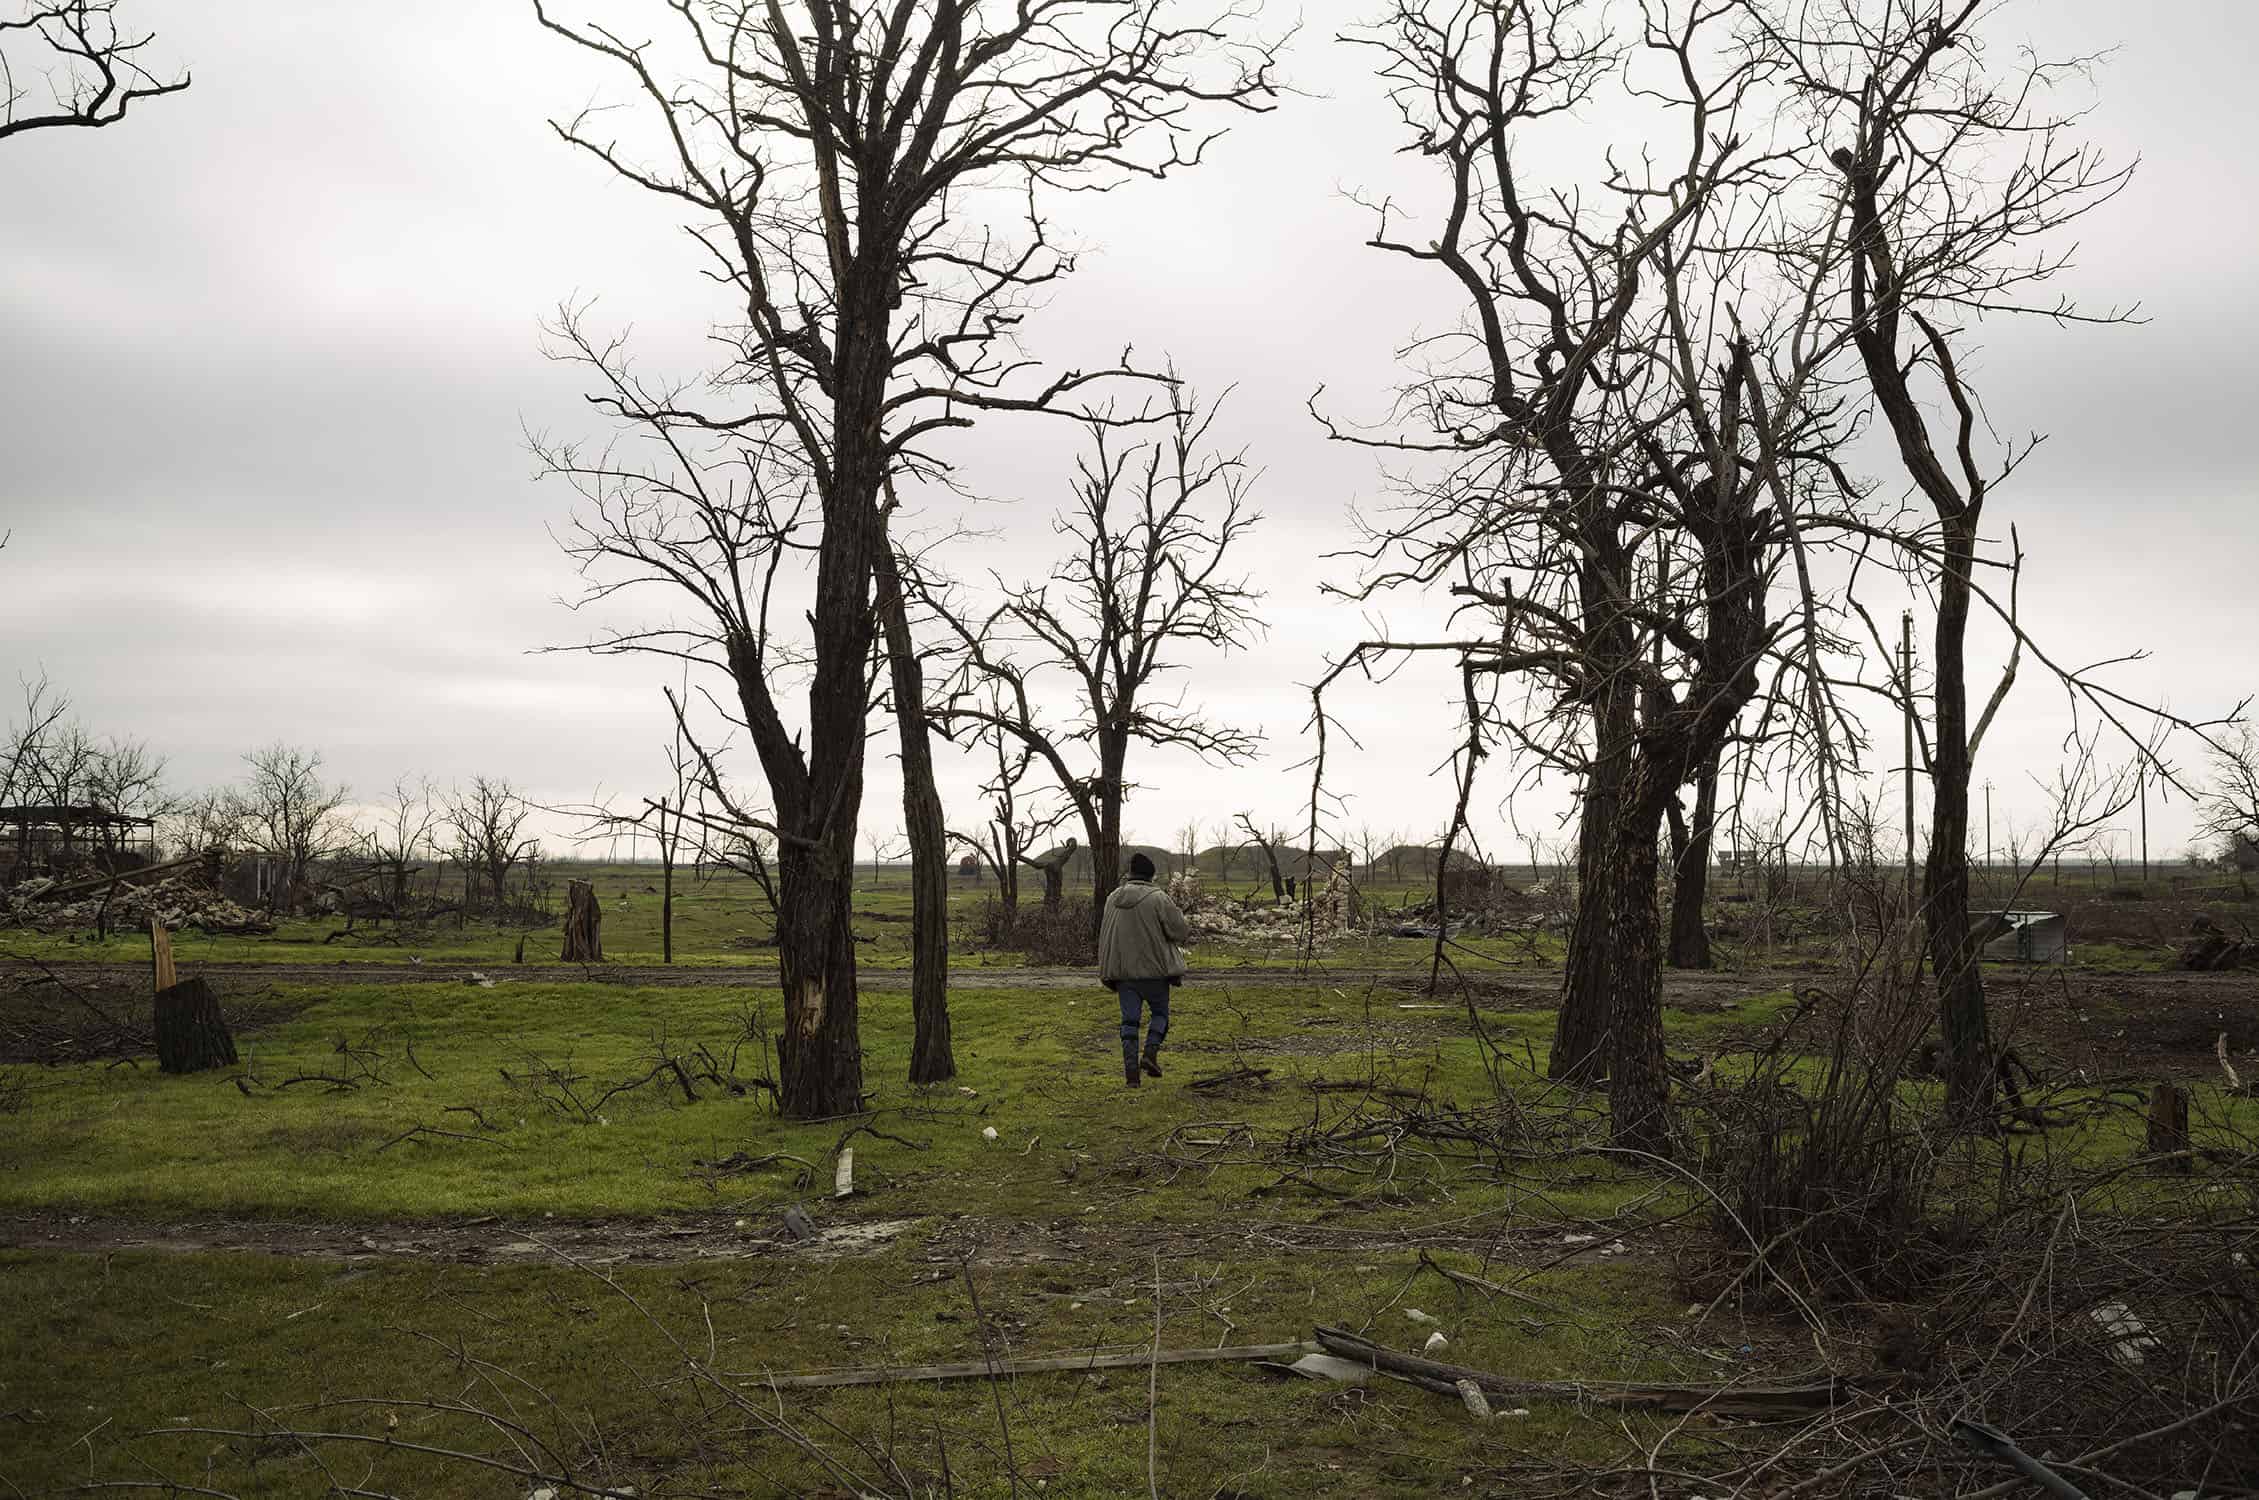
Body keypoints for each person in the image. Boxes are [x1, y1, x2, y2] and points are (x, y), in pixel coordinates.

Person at [1097, 852, 1190, 1089]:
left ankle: (1131, 1076)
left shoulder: (1112, 898)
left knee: (1129, 1022)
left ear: (1130, 874)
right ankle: (1149, 1053)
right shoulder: (1159, 898)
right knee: (1160, 1015)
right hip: (1155, 973)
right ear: (1151, 875)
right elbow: (1179, 931)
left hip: (1123, 973)